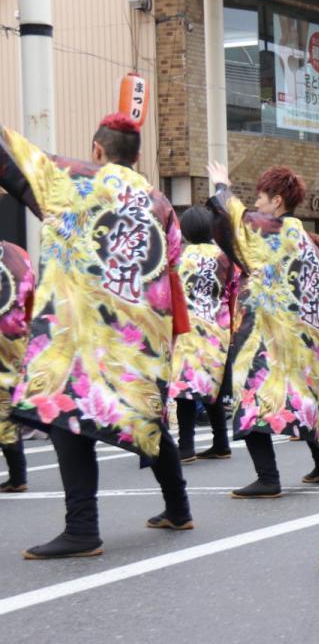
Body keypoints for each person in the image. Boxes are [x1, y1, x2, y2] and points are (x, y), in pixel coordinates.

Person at [2, 114, 192, 558]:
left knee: (70, 415)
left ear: (98, 151)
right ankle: (178, 506)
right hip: (135, 337)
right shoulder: (160, 202)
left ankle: (82, 528)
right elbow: (173, 264)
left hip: (80, 330)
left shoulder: (72, 177)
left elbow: (11, 160)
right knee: (145, 418)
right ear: (137, 157)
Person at [205, 161, 319, 498]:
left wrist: (222, 185)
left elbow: (231, 218)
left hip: (264, 333)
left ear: (277, 201)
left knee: (252, 395)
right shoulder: (306, 241)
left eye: (262, 198)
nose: (257, 205)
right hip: (304, 336)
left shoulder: (268, 231)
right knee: (304, 397)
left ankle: (268, 477)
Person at [168, 205, 235, 462]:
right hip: (217, 327)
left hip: (188, 327)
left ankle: (186, 446)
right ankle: (221, 441)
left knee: (185, 387)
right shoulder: (225, 257)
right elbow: (231, 290)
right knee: (213, 385)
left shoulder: (181, 257)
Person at [0, 241, 35, 493]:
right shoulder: (18, 253)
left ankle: (17, 474)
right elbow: (31, 297)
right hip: (15, 334)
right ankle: (17, 473)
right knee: (7, 402)